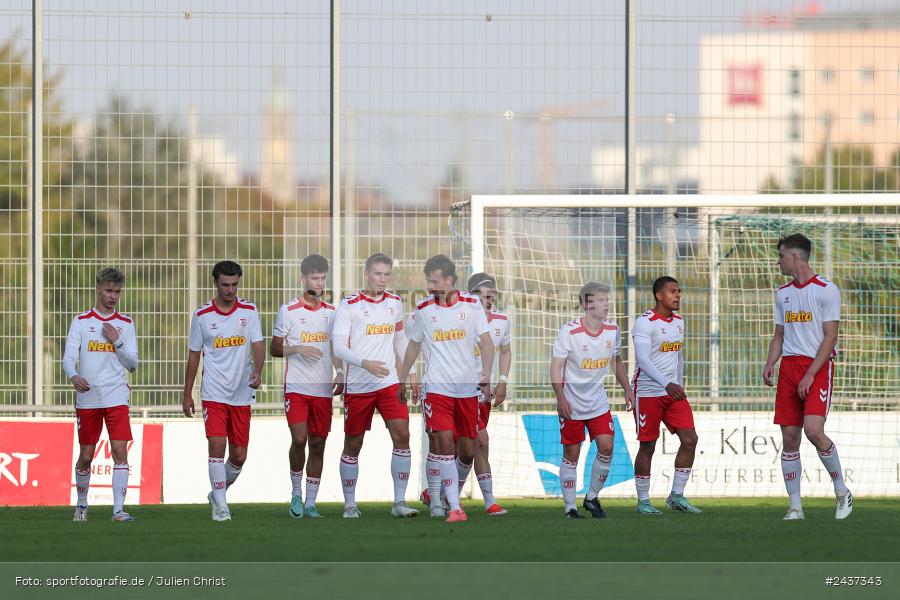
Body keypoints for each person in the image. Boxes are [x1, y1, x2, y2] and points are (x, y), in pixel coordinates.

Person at [398, 255, 494, 523]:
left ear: (449, 280)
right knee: (443, 441)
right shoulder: (423, 309)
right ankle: (454, 506)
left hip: (467, 389)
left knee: (467, 450)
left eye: (435, 281)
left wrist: (487, 375)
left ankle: (441, 496)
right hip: (437, 388)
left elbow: (487, 343)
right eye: (428, 281)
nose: (430, 286)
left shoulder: (472, 305)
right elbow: (413, 345)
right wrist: (403, 378)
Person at [762, 233, 851, 520]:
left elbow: (830, 336)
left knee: (813, 431)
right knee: (789, 439)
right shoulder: (783, 293)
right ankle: (795, 507)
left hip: (818, 367)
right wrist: (770, 362)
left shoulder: (826, 289)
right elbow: (779, 335)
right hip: (789, 368)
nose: (778, 262)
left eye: (781, 256)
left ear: (795, 257)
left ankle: (842, 491)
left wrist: (810, 374)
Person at [331, 253, 418, 519]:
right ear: (366, 274)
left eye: (386, 274)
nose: (382, 279)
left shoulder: (394, 303)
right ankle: (349, 505)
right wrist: (364, 363)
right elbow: (338, 347)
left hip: (389, 382)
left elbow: (400, 340)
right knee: (353, 443)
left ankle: (399, 502)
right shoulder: (349, 305)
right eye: (378, 274)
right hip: (359, 386)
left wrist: (412, 372)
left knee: (402, 435)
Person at [183, 260, 265, 522]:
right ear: (215, 283)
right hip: (213, 393)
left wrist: (258, 371)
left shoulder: (249, 311)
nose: (230, 290)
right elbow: (194, 355)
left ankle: (216, 493)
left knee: (239, 456)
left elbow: (258, 345)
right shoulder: (202, 315)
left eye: (234, 285)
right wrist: (187, 393)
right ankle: (221, 506)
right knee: (216, 446)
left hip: (241, 393)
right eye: (225, 285)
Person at [550, 283, 633, 519]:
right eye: (601, 300)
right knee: (571, 454)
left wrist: (628, 389)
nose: (607, 304)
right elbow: (555, 367)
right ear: (587, 304)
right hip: (572, 403)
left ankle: (592, 497)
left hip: (598, 403)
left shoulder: (612, 329)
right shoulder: (569, 332)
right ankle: (570, 508)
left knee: (607, 446)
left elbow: (616, 361)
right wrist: (560, 398)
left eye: (607, 300)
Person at [63, 268, 139, 522]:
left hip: (116, 395)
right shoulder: (82, 321)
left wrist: (117, 341)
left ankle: (118, 510)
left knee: (120, 452)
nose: (113, 296)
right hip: (88, 397)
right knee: (86, 456)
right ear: (98, 289)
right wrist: (74, 376)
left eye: (117, 291)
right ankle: (81, 505)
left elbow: (132, 364)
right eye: (108, 290)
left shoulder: (125, 324)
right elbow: (68, 358)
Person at [271, 254, 343, 519]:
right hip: (297, 388)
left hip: (322, 390)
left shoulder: (332, 312)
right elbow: (274, 348)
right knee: (299, 438)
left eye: (322, 278)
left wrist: (340, 371)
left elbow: (335, 348)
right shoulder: (288, 310)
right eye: (314, 278)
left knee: (318, 443)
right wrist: (298, 348)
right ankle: (295, 494)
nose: (319, 283)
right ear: (303, 279)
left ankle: (311, 502)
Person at [631, 276, 701, 515]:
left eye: (679, 291)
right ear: (659, 295)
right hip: (648, 392)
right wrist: (667, 384)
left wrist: (677, 384)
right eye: (672, 291)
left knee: (690, 439)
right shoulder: (644, 322)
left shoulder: (679, 321)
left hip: (672, 392)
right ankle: (643, 502)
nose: (677, 295)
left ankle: (676, 496)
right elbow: (643, 360)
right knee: (648, 445)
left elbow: (678, 355)